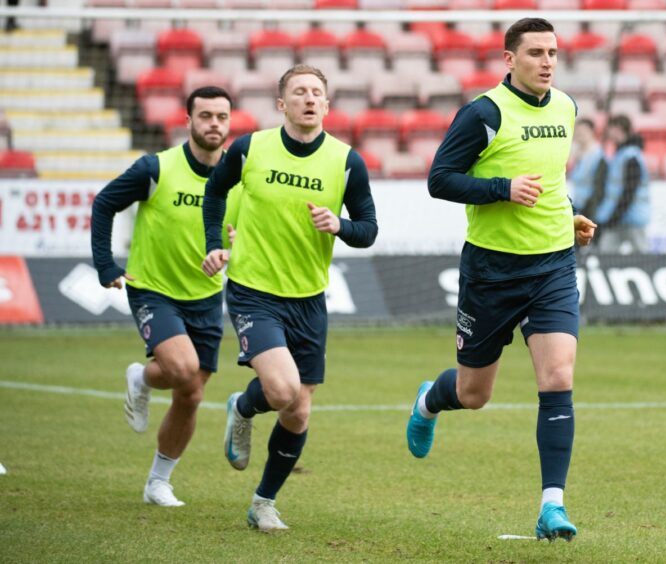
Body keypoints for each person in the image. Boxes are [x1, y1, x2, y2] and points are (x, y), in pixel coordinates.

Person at [404, 18, 597, 542]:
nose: (547, 61)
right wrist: (501, 188)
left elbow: (552, 178)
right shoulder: (484, 113)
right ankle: (429, 400)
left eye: (553, 52)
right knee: (473, 393)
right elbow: (440, 179)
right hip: (491, 272)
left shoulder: (567, 108)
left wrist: (569, 215)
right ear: (509, 60)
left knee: (558, 378)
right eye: (535, 52)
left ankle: (551, 506)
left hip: (552, 266)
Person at [201, 64, 378, 533]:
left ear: (326, 103)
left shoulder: (346, 162)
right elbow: (214, 193)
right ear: (282, 104)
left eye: (316, 92)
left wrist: (341, 225)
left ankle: (263, 502)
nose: (308, 99)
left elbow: (369, 229)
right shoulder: (249, 148)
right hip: (253, 291)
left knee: (298, 410)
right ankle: (244, 406)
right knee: (280, 391)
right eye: (298, 92)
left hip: (309, 299)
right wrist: (212, 244)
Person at [91, 86, 240, 507]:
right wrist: (106, 265)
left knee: (191, 392)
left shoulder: (238, 177)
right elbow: (104, 203)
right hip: (153, 288)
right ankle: (142, 376)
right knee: (183, 368)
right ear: (187, 121)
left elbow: (243, 233)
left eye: (222, 117)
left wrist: (233, 246)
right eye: (206, 116)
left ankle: (158, 481)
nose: (214, 124)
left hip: (207, 295)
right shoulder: (156, 168)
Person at [595, 114, 650, 254]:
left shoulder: (631, 156)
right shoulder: (621, 154)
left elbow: (629, 191)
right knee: (606, 252)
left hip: (630, 217)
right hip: (618, 216)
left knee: (642, 254)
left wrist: (614, 216)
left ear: (619, 129)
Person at [569, 117, 607, 227]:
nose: (580, 134)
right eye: (578, 131)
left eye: (583, 131)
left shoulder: (598, 155)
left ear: (591, 132)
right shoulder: (575, 153)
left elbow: (599, 185)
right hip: (578, 204)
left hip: (591, 207)